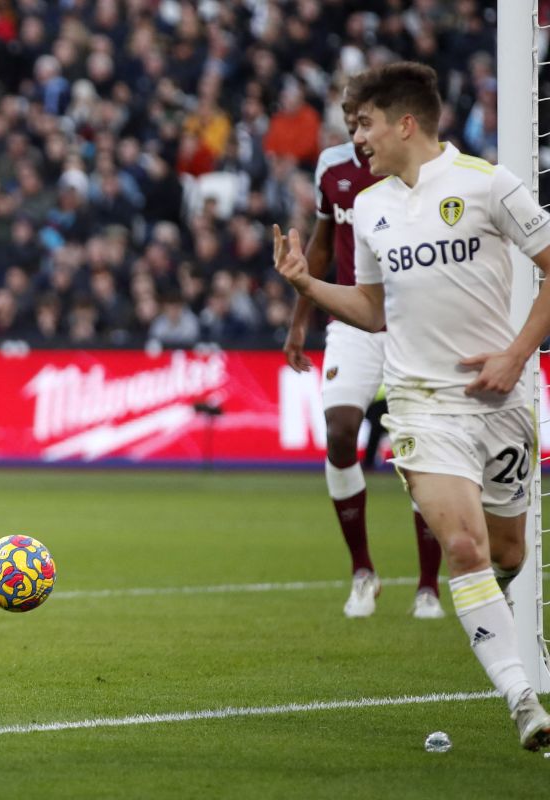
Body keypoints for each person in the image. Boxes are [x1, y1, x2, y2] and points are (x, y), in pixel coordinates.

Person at [274, 61, 550, 752]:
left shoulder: (490, 185)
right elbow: (371, 308)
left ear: (405, 122)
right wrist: (309, 283)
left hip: (503, 397)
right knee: (462, 545)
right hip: (421, 401)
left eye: (364, 125)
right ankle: (523, 700)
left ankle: (485, 612)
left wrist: (517, 355)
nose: (356, 139)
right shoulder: (368, 206)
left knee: (506, 550)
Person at [284, 84, 443, 620]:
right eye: (350, 118)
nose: (356, 129)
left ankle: (428, 586)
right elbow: (324, 243)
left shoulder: (410, 164)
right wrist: (300, 320)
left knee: (420, 449)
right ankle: (362, 572)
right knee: (339, 432)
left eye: (363, 118)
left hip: (409, 319)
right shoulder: (332, 168)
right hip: (353, 318)